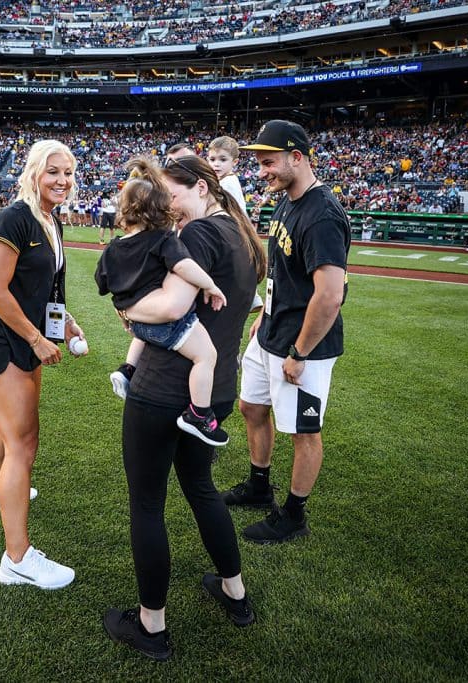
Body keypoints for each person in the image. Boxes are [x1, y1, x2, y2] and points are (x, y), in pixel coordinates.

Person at [103, 152, 266, 661]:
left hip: (164, 389)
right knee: (200, 487)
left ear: (199, 187)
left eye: (171, 194)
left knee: (147, 503)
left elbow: (170, 307)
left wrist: (125, 308)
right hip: (210, 390)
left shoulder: (195, 235)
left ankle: (152, 627)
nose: (166, 207)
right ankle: (235, 594)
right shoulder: (239, 232)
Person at [223, 120, 350, 545]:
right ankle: (260, 485)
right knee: (251, 408)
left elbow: (330, 295)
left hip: (303, 346)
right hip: (271, 333)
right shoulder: (288, 201)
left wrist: (300, 351)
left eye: (269, 162)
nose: (262, 172)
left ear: (297, 157)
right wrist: (266, 315)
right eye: (259, 164)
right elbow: (282, 273)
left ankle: (293, 514)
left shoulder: (323, 214)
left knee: (303, 431)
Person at [0, 139, 87, 590]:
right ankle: (16, 559)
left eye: (69, 173)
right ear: (34, 172)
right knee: (24, 441)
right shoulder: (15, 217)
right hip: (2, 341)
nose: (62, 180)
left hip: (25, 337)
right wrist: (37, 339)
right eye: (53, 172)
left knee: (10, 427)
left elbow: (44, 289)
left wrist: (66, 322)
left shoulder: (49, 220)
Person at [95, 157, 231, 447]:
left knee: (142, 333)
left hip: (138, 327)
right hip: (169, 325)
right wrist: (210, 284)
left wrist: (125, 307)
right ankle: (199, 413)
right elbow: (184, 266)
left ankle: (127, 368)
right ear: (162, 208)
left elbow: (102, 283)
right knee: (206, 356)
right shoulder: (163, 240)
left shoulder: (113, 247)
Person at [208, 136, 263, 313]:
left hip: (236, 228)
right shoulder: (224, 181)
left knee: (234, 267)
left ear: (235, 162)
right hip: (236, 228)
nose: (217, 164)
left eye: (223, 160)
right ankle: (252, 298)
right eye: (212, 159)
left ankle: (251, 298)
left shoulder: (227, 182)